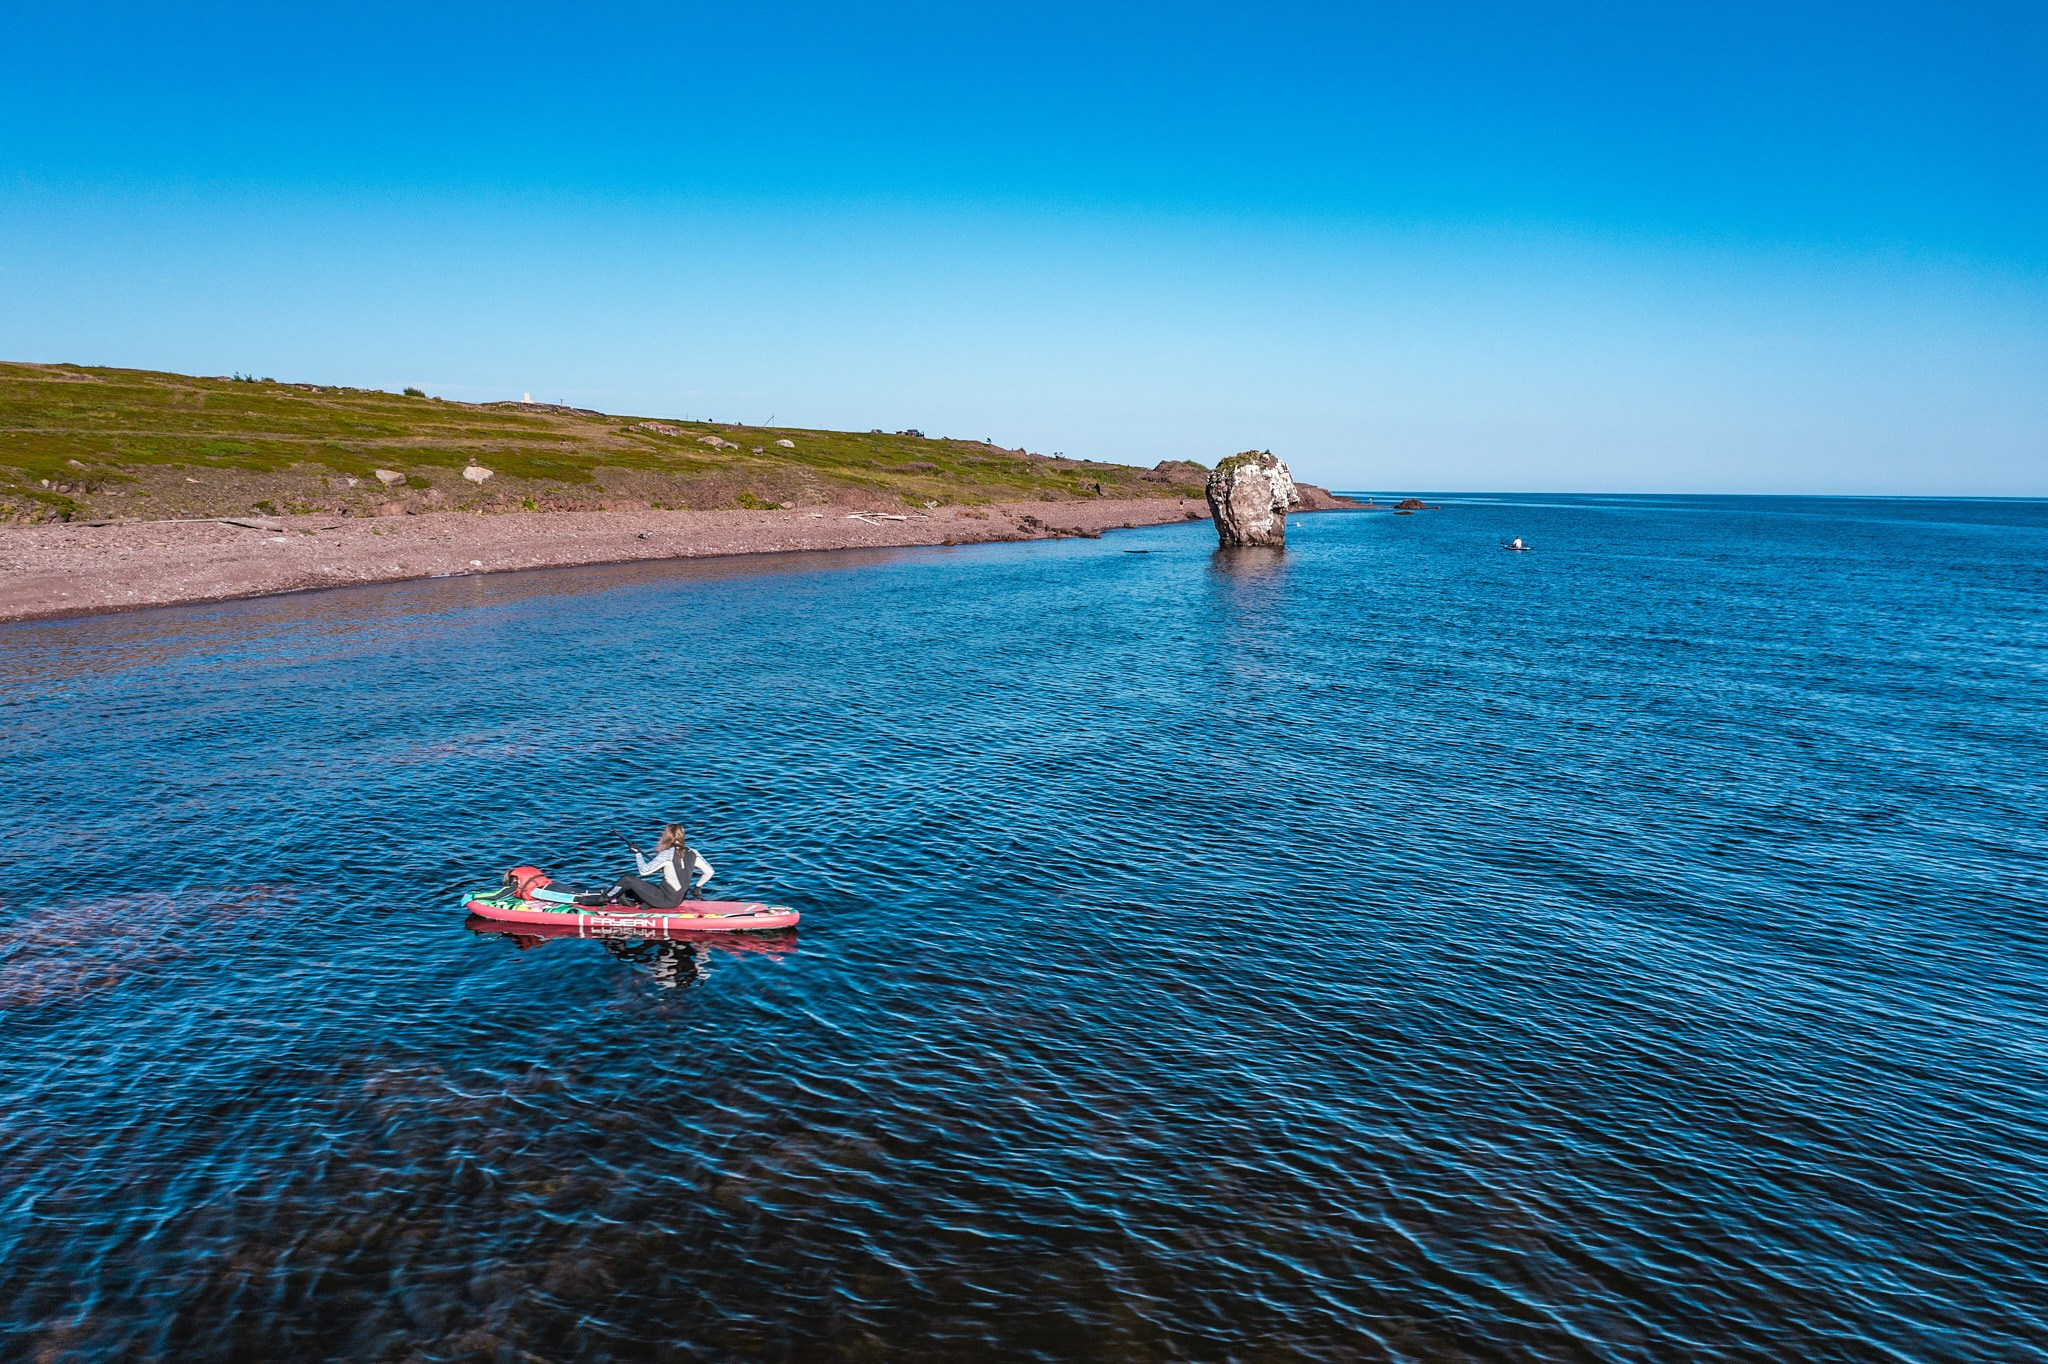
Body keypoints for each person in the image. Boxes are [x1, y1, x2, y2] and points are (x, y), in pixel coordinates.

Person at [610, 823, 714, 909]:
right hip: (678, 899)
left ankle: (604, 898)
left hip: (666, 900)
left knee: (627, 879)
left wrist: (637, 854)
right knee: (639, 888)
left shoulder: (667, 854)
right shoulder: (693, 852)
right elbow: (709, 871)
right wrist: (697, 887)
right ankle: (626, 899)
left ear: (666, 836)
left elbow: (643, 871)